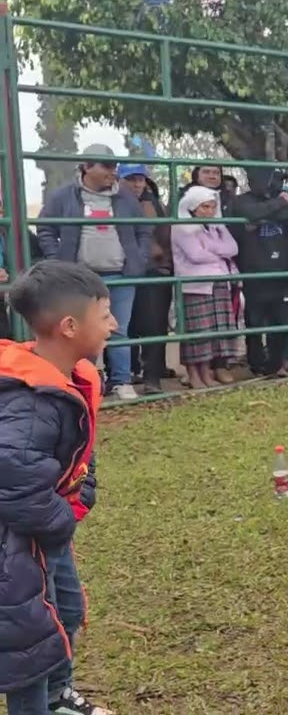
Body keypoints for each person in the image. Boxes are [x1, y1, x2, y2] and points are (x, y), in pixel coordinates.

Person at [0, 261, 114, 715]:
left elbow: (79, 453)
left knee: (64, 610)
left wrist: (82, 494)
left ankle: (57, 695)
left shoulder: (67, 379)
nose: (113, 323)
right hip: (16, 544)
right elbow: (12, 479)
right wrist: (60, 519)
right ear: (69, 326)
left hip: (43, 534)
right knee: (29, 640)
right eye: (104, 314)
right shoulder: (30, 401)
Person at [37, 143, 152, 400]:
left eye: (115, 166)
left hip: (121, 274)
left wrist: (139, 258)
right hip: (81, 279)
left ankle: (121, 380)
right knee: (83, 331)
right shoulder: (63, 195)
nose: (113, 171)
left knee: (119, 329)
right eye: (107, 166)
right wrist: (57, 260)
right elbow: (45, 228)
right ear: (87, 166)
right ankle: (83, 382)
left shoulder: (125, 197)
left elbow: (144, 229)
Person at [227, 168, 288, 378]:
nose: (276, 184)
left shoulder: (285, 199)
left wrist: (264, 214)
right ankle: (256, 364)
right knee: (255, 321)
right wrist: (278, 205)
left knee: (281, 322)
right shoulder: (241, 201)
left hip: (282, 272)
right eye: (272, 180)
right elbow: (250, 212)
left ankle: (275, 365)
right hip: (254, 272)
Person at [171, 186, 241, 389]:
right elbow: (195, 254)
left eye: (212, 206)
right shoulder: (182, 227)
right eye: (204, 207)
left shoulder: (217, 226)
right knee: (197, 332)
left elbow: (233, 248)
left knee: (212, 332)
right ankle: (193, 374)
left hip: (219, 282)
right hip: (195, 285)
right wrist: (219, 252)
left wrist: (210, 248)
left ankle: (206, 372)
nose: (209, 211)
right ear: (193, 207)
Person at [118, 163, 172, 394]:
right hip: (123, 269)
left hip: (153, 269)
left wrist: (165, 263)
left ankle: (152, 376)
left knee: (154, 324)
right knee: (123, 324)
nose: (137, 184)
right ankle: (125, 373)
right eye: (131, 179)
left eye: (140, 179)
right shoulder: (113, 203)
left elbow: (166, 234)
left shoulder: (154, 204)